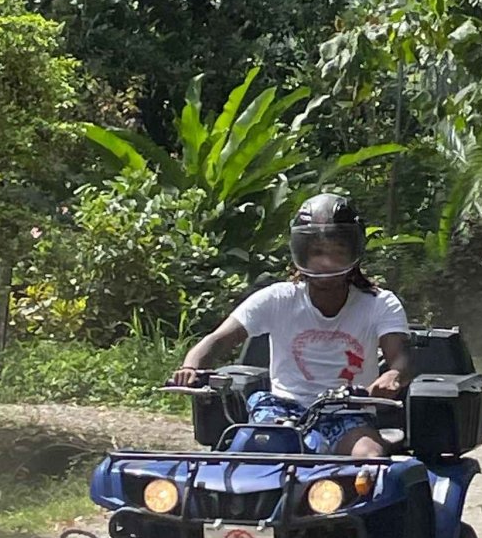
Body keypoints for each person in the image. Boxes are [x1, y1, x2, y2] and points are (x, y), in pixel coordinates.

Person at [170, 193, 413, 457]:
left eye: (338, 251)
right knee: (252, 448)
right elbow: (217, 340)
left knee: (370, 456)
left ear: (354, 252)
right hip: (280, 410)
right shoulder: (277, 298)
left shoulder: (380, 303)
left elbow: (401, 358)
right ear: (302, 253)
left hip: (349, 411)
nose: (326, 261)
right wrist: (190, 367)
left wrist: (393, 375)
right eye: (318, 252)